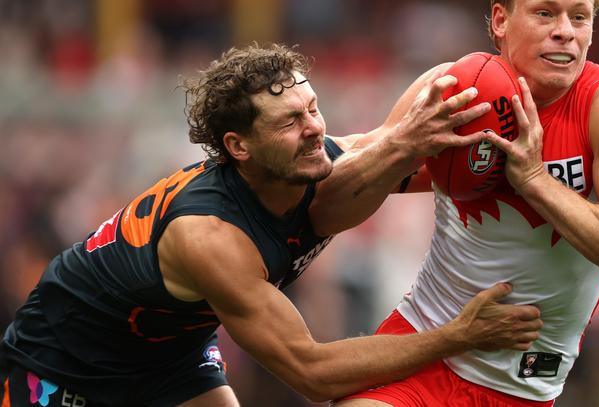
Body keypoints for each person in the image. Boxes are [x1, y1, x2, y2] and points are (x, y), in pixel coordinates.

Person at [0, 44, 543, 407]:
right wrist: (457, 337)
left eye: (313, 108)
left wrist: (539, 174)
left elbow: (431, 166)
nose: (313, 130)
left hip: (168, 350)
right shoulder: (212, 237)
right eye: (289, 121)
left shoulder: (321, 162)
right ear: (239, 147)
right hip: (62, 360)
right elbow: (312, 372)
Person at [331, 0, 599, 406]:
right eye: (545, 13)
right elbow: (363, 159)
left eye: (579, 17)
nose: (565, 32)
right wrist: (390, 147)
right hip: (421, 349)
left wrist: (536, 182)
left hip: (525, 386)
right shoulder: (456, 89)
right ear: (500, 20)